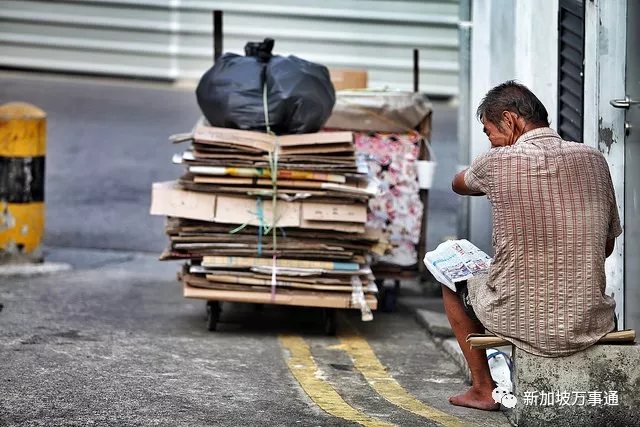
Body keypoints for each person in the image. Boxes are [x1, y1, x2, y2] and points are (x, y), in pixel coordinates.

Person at [446, 80, 622, 411]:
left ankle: (484, 389)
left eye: (488, 131)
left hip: (515, 318)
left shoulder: (496, 161)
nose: (492, 140)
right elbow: (607, 248)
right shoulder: (595, 159)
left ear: (510, 120)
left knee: (449, 279)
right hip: (590, 321)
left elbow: (457, 184)